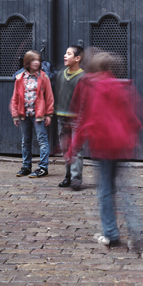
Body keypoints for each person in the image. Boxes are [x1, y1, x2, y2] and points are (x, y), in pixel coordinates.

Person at [68, 51, 143, 251]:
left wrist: (74, 148)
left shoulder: (92, 87)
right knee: (126, 191)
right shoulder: (120, 85)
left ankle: (110, 234)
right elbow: (132, 115)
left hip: (102, 145)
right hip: (121, 145)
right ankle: (136, 231)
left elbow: (85, 119)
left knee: (105, 191)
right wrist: (133, 137)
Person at [10, 50, 53, 177]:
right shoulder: (20, 78)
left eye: (38, 60)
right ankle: (26, 166)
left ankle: (43, 167)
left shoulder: (43, 77)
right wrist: (15, 114)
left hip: (38, 114)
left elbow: (49, 96)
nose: (37, 62)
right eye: (34, 60)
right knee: (26, 140)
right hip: (24, 114)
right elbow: (15, 97)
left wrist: (49, 114)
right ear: (27, 62)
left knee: (42, 140)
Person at [53, 44, 86, 189]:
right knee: (65, 148)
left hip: (77, 118)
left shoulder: (83, 77)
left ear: (77, 58)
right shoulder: (61, 73)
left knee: (76, 149)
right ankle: (67, 176)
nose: (65, 56)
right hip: (61, 116)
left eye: (69, 54)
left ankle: (76, 178)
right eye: (65, 53)